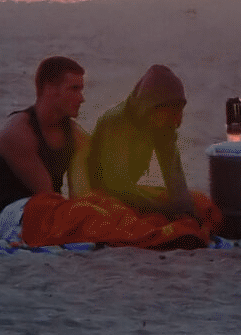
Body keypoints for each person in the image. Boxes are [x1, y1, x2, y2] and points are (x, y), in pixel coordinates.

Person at [85, 65, 215, 224]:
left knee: (200, 203)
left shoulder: (162, 124)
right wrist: (163, 210)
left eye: (177, 112)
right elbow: (117, 185)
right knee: (131, 220)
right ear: (150, 106)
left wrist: (186, 210)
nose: (176, 121)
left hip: (133, 193)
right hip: (104, 196)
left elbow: (174, 175)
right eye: (171, 112)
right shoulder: (116, 122)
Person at [0, 56, 92, 225]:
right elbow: (46, 193)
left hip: (52, 210)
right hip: (14, 214)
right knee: (45, 207)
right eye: (74, 89)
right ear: (50, 89)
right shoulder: (16, 133)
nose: (81, 98)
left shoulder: (77, 137)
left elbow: (81, 194)